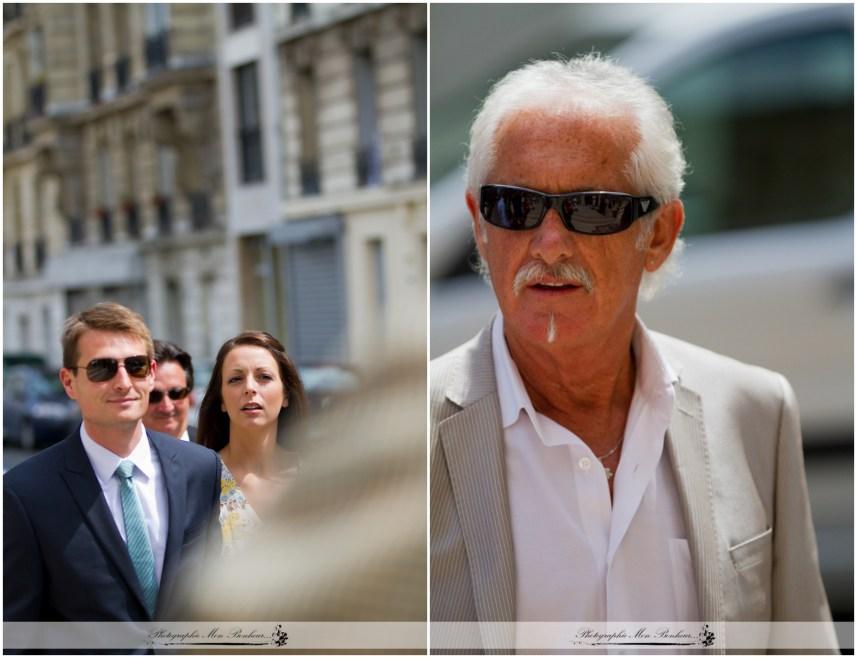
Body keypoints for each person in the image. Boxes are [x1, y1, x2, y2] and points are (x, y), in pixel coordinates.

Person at [430, 54, 834, 649]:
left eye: (592, 209)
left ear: (660, 235)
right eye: (515, 206)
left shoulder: (755, 410)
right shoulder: (401, 443)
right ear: (480, 226)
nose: (549, 243)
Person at [4, 302, 221, 624]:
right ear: (68, 382)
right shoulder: (25, 493)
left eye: (135, 366)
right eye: (102, 369)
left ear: (150, 374)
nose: (122, 382)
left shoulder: (201, 468)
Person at [197, 331, 307, 556]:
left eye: (264, 377)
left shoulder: (317, 476)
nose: (250, 388)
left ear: (286, 394)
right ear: (221, 401)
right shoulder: (202, 481)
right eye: (235, 379)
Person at [144, 339, 197, 442]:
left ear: (190, 397)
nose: (167, 407)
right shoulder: (118, 453)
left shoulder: (217, 449)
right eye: (154, 396)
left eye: (176, 393)